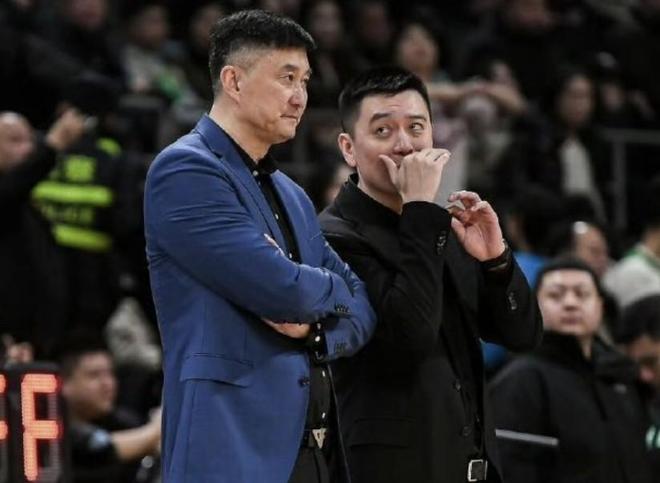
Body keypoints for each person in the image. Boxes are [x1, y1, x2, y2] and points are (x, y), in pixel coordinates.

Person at [144, 10, 376, 483]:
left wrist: (315, 333)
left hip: (312, 450)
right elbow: (285, 292)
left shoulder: (292, 194)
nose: (300, 97)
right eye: (286, 78)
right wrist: (327, 287)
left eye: (305, 80)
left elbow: (363, 308)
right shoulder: (185, 171)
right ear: (233, 81)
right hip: (228, 446)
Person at [319, 66, 542, 483]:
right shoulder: (333, 237)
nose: (405, 144)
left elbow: (522, 336)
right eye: (383, 131)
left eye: (416, 127)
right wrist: (419, 209)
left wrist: (496, 261)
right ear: (349, 148)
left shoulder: (442, 227)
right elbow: (408, 341)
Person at [490, 258, 652, 483]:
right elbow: (510, 466)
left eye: (582, 294)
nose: (570, 303)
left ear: (601, 306)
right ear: (535, 305)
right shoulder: (521, 379)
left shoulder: (619, 374)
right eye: (556, 295)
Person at [0, 109, 85, 358]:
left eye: (30, 140)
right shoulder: (10, 195)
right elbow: (12, 189)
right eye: (15, 140)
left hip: (39, 342)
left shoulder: (29, 207)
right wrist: (51, 147)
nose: (27, 149)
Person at [57, 334, 161, 483]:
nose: (108, 384)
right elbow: (105, 449)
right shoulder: (54, 432)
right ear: (65, 384)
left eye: (110, 374)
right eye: (94, 375)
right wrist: (158, 426)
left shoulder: (125, 422)